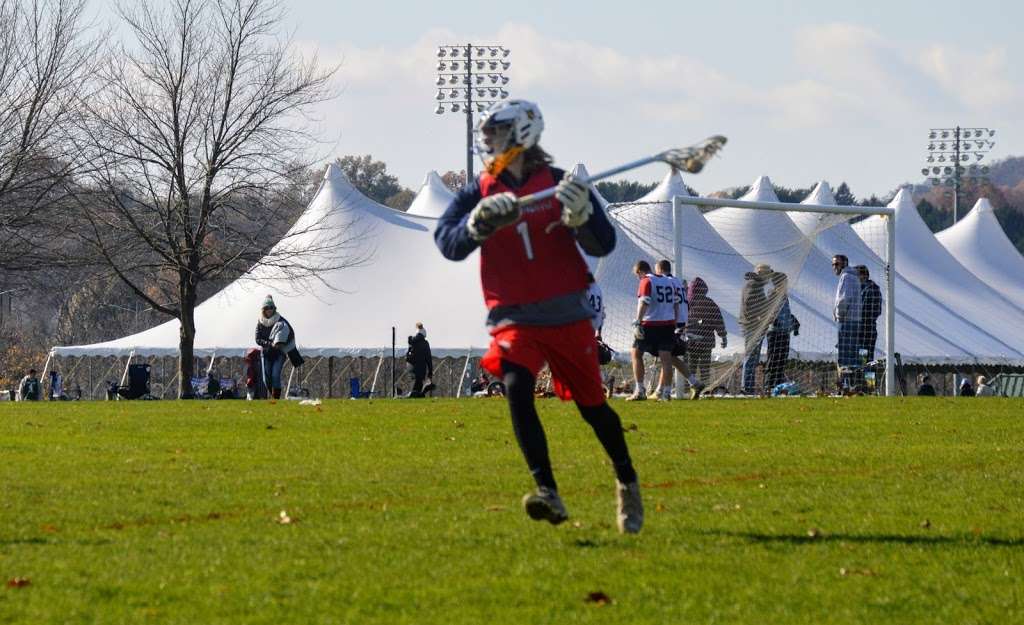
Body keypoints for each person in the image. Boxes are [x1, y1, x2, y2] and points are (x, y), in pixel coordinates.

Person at [434, 98, 642, 533]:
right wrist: (476, 226)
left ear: (523, 134)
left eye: (497, 135)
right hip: (513, 315)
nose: (489, 144)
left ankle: (626, 479)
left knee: (594, 409)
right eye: (487, 137)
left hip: (566, 312)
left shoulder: (562, 182)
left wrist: (581, 216)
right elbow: (448, 243)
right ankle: (548, 491)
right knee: (515, 386)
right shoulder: (480, 190)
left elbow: (603, 244)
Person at [655, 259, 704, 399]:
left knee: (666, 355)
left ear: (659, 270)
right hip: (681, 321)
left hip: (673, 322)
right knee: (669, 356)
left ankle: (664, 391)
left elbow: (670, 302)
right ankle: (693, 383)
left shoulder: (665, 282)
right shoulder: (677, 281)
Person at [629, 260, 677, 401]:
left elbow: (644, 301)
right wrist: (675, 321)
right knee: (666, 358)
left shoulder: (646, 281)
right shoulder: (669, 281)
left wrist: (638, 321)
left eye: (638, 275)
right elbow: (676, 304)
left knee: (636, 353)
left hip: (650, 323)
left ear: (640, 272)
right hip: (668, 323)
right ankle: (666, 393)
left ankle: (640, 390)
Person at [254, 295, 297, 400]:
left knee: (275, 375)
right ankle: (272, 395)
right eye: (267, 308)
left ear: (274, 308)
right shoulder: (260, 322)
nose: (269, 310)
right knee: (266, 378)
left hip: (279, 353)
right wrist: (269, 344)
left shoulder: (281, 320)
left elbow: (290, 333)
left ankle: (276, 399)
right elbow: (257, 338)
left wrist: (281, 343)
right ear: (264, 310)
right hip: (266, 353)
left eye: (271, 307)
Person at [686, 277, 726, 388]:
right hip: (706, 341)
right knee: (704, 368)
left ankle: (690, 388)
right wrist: (723, 336)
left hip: (691, 341)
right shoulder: (709, 303)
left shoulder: (686, 303)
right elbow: (718, 320)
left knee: (691, 368)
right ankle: (705, 388)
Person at [763, 272, 800, 393]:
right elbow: (770, 311)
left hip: (784, 332)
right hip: (775, 332)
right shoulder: (773, 294)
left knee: (781, 360)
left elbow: (785, 313)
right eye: (785, 282)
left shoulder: (784, 296)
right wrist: (774, 320)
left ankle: (778, 386)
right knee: (773, 359)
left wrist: (793, 322)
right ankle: (768, 386)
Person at [739, 264, 772, 395]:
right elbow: (749, 304)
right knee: (750, 357)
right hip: (752, 326)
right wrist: (759, 317)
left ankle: (749, 387)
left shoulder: (755, 284)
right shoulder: (753, 284)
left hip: (755, 325)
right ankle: (746, 387)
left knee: (753, 358)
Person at [832, 255, 862, 390]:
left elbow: (843, 300)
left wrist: (839, 315)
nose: (834, 267)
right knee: (851, 355)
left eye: (837, 264)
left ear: (844, 264)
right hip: (854, 321)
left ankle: (846, 386)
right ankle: (851, 385)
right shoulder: (853, 277)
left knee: (845, 356)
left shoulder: (847, 277)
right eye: (833, 264)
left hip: (847, 321)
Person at [856, 265, 882, 360]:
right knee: (863, 359)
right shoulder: (860, 289)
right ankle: (864, 374)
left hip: (865, 331)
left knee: (864, 359)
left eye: (857, 275)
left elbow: (876, 311)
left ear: (864, 276)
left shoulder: (871, 289)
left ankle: (867, 375)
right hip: (861, 330)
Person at [406, 322, 435, 397]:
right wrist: (430, 371)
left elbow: (408, 355)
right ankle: (416, 396)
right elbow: (428, 358)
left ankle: (414, 396)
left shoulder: (412, 342)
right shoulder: (425, 343)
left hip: (411, 368)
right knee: (418, 387)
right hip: (421, 368)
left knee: (414, 385)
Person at [586, 272, 605, 337]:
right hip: (594, 327)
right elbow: (602, 313)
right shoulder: (598, 289)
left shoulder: (585, 289)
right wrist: (599, 333)